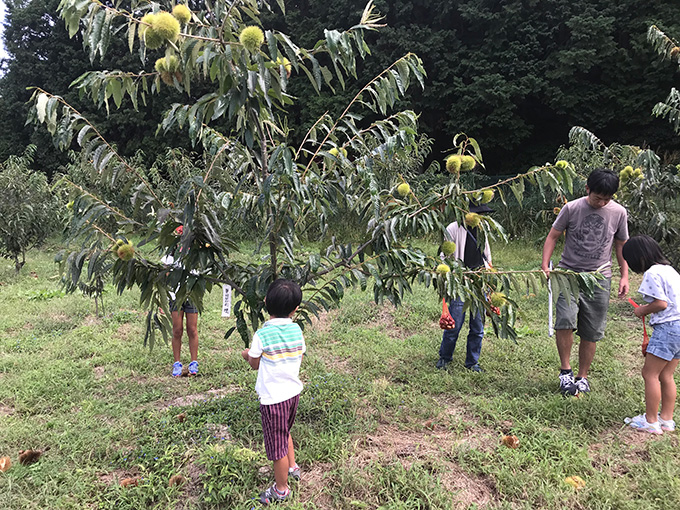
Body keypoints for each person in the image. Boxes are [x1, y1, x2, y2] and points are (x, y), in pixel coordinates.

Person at [541, 169, 629, 396]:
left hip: (599, 278)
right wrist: (545, 264)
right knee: (565, 321)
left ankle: (582, 377)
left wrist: (624, 275)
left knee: (591, 330)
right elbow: (552, 236)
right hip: (568, 275)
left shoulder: (619, 213)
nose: (601, 203)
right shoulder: (571, 208)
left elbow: (621, 245)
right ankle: (565, 372)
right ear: (587, 189)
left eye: (606, 199)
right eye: (597, 197)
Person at [241, 279, 305, 505]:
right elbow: (300, 355)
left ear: (266, 302)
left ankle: (281, 489)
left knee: (277, 446)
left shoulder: (262, 335)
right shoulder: (297, 329)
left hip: (273, 399)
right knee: (285, 431)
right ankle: (293, 467)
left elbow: (255, 364)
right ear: (295, 309)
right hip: (293, 393)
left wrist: (247, 354)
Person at [622, 235, 680, 434]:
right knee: (667, 375)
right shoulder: (670, 270)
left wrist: (643, 310)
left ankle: (650, 421)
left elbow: (661, 303)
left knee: (650, 373)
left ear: (639, 257)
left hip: (668, 329)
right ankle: (667, 420)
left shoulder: (652, 273)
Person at [435, 203, 493, 372]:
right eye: (478, 213)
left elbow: (487, 255)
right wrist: (450, 276)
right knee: (454, 324)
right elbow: (444, 257)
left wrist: (488, 277)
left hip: (479, 282)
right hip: (459, 282)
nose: (480, 217)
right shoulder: (453, 229)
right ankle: (445, 357)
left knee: (478, 327)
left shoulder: (482, 230)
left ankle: (473, 362)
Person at [161, 238, 200, 377]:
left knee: (192, 329)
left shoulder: (196, 252)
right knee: (177, 330)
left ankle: (194, 362)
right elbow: (164, 277)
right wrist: (163, 300)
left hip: (192, 294)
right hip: (175, 296)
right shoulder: (171, 255)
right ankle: (177, 363)